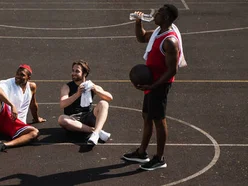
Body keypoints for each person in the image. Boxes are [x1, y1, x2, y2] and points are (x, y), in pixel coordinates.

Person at [122, 4, 185, 170]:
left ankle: (159, 158)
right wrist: (138, 22)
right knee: (146, 116)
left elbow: (173, 70)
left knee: (159, 120)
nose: (155, 14)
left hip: (160, 84)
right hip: (151, 83)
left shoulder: (170, 41)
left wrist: (154, 85)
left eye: (159, 12)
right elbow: (142, 37)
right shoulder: (158, 33)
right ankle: (142, 153)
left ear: (166, 17)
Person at [0, 64, 47, 155]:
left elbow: (33, 104)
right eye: (17, 74)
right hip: (2, 119)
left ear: (28, 78)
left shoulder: (32, 87)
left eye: (22, 75)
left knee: (35, 133)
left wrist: (36, 118)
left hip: (16, 124)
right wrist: (12, 105)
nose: (18, 77)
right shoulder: (8, 83)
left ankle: (3, 145)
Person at [57, 60, 114, 145]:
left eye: (77, 71)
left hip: (87, 116)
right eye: (73, 70)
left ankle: (95, 134)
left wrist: (95, 89)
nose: (73, 73)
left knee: (104, 103)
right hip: (73, 119)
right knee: (62, 119)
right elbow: (62, 104)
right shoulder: (67, 87)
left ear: (84, 74)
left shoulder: (90, 85)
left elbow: (109, 98)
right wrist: (77, 94)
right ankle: (96, 131)